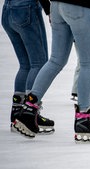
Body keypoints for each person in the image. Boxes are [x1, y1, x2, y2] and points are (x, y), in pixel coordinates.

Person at [11, 0, 90, 142]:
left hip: (57, 6)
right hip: (81, 7)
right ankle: (83, 119)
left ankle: (29, 109)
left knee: (56, 60)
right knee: (88, 63)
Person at [2, 0, 55, 134]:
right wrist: (50, 10)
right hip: (26, 9)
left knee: (25, 65)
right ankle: (29, 113)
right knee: (38, 64)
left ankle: (17, 113)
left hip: (8, 9)